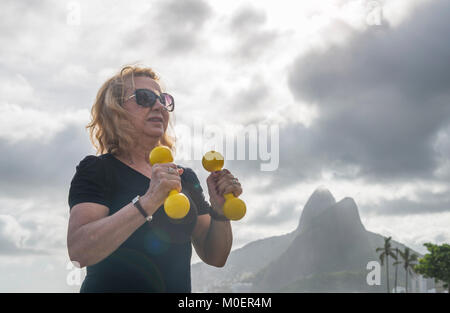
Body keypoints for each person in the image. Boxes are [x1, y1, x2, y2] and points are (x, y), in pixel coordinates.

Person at [67, 65, 242, 292]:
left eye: (164, 99)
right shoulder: (98, 170)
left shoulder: (184, 177)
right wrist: (148, 201)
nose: (159, 105)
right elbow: (80, 252)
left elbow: (216, 256)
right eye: (145, 97)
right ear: (116, 109)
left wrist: (220, 212)